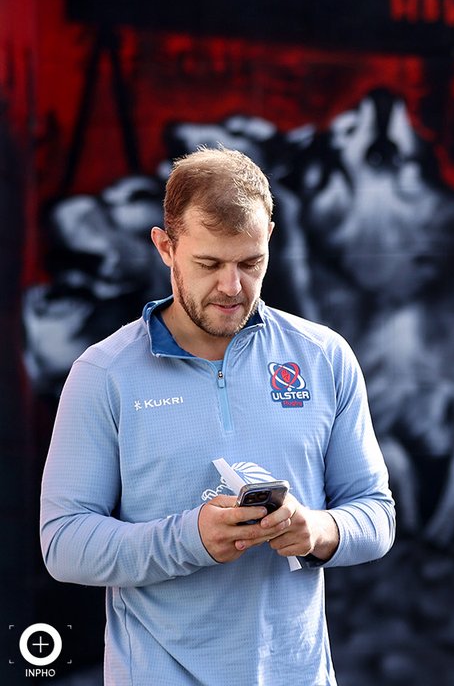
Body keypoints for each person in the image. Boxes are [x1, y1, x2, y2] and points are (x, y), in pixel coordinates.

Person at [40, 146, 396, 685]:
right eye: (208, 264)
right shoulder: (104, 373)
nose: (232, 287)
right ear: (166, 247)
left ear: (270, 238)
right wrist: (191, 540)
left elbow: (377, 515)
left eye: (250, 263)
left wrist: (316, 530)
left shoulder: (323, 357)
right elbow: (63, 544)